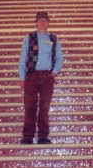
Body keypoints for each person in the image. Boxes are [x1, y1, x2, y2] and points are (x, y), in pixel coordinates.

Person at [18, 11, 63, 145]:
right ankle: (27, 137)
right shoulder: (28, 38)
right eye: (40, 20)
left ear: (48, 23)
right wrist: (22, 77)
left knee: (44, 107)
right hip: (31, 76)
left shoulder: (54, 38)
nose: (42, 22)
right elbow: (22, 58)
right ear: (36, 23)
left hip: (47, 76)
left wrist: (53, 73)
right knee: (29, 106)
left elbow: (59, 58)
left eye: (45, 20)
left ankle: (43, 137)